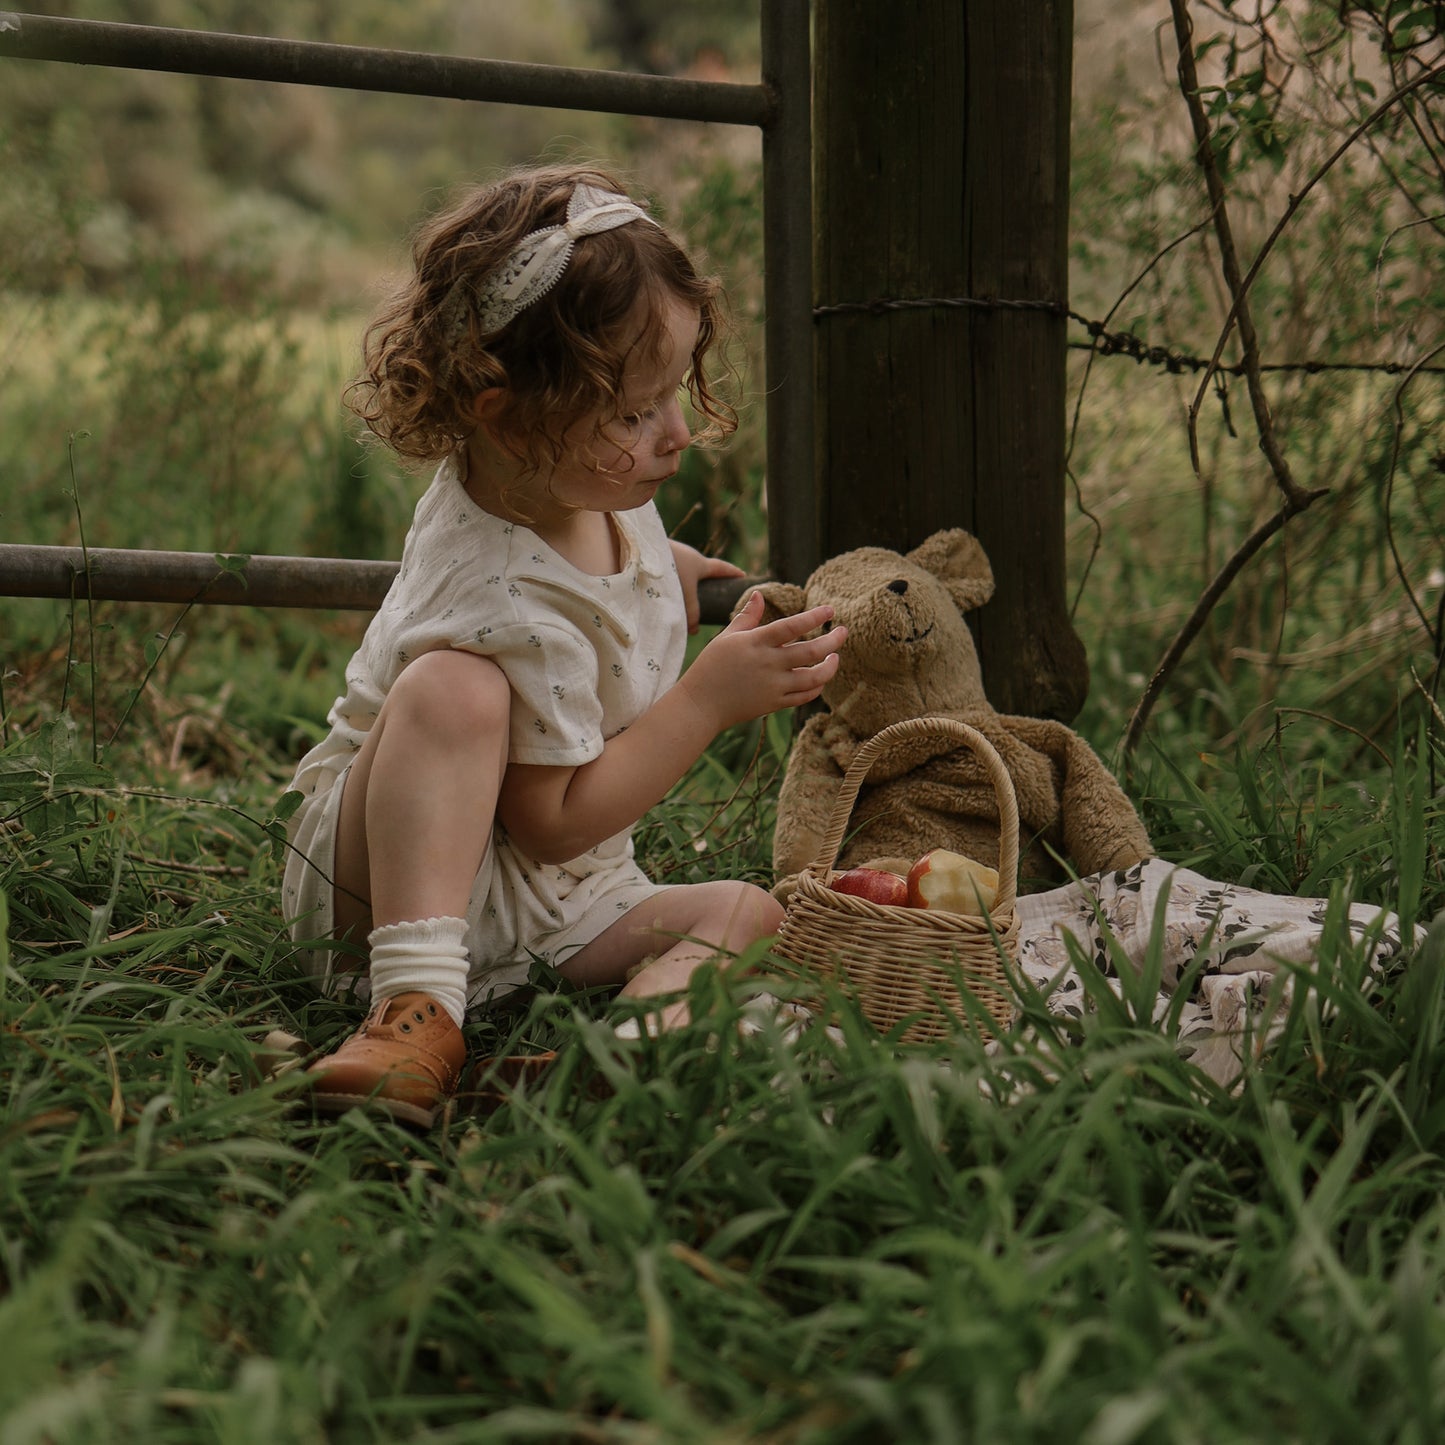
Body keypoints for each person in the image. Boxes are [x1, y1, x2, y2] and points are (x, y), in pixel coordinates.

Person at [280, 164, 846, 1127]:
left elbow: (591, 564)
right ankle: (411, 1010)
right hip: (390, 884)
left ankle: (612, 1062)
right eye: (633, 412)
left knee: (748, 914)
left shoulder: (557, 478)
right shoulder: (495, 591)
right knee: (455, 689)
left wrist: (662, 567)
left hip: (546, 903)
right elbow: (554, 821)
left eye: (669, 396)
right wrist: (706, 700)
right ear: (508, 414)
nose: (672, 434)